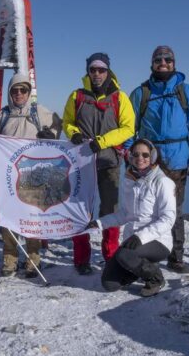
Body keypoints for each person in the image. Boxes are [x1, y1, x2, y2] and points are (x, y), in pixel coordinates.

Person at [127, 46, 189, 274]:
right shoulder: (141, 94)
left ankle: (176, 256)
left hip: (177, 159)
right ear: (152, 64)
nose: (163, 63)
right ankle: (147, 255)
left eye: (167, 60)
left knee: (174, 210)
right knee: (145, 209)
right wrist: (128, 157)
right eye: (158, 60)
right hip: (147, 160)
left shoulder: (186, 92)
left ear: (174, 63)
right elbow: (128, 129)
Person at [62, 53, 135, 275]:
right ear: (88, 71)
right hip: (82, 163)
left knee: (109, 209)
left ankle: (110, 255)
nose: (97, 74)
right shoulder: (77, 96)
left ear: (108, 71)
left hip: (109, 162)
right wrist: (73, 134)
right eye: (93, 69)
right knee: (80, 209)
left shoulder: (119, 97)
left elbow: (128, 128)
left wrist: (102, 142)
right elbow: (67, 122)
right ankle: (81, 258)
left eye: (101, 70)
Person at [0, 72, 62, 278]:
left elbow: (57, 126)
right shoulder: (1, 116)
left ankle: (33, 259)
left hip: (34, 176)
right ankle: (10, 259)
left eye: (23, 90)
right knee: (8, 220)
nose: (19, 94)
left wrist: (52, 135)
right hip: (8, 178)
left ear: (29, 92)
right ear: (9, 93)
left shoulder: (40, 112)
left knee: (32, 218)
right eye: (15, 90)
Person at [88, 139, 176, 297]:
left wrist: (141, 237)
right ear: (130, 157)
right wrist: (100, 223)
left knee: (124, 255)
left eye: (145, 154)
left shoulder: (162, 181)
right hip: (132, 241)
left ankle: (155, 278)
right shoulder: (129, 179)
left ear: (153, 156)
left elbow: (168, 218)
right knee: (109, 283)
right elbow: (125, 214)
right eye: (136, 154)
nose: (140, 158)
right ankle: (140, 268)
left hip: (158, 240)